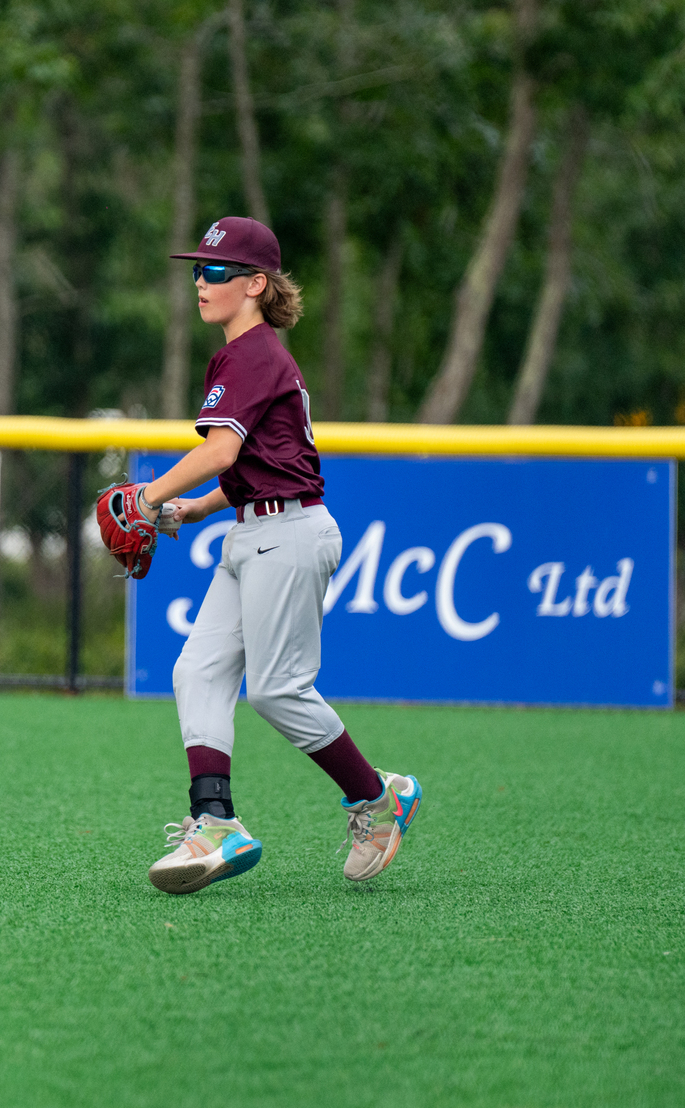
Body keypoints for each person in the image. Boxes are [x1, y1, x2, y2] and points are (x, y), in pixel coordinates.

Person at [134, 216, 422, 895]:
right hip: (258, 528)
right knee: (197, 669)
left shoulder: (256, 353)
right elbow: (254, 467)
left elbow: (221, 452)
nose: (200, 282)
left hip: (288, 536)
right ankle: (216, 822)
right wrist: (191, 508)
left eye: (215, 272)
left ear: (255, 284)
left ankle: (378, 797)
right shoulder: (239, 355)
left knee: (274, 688)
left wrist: (146, 494)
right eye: (196, 270)